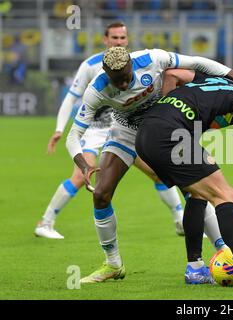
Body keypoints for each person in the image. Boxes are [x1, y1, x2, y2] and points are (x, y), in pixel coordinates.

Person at [65, 46, 233, 283]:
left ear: (132, 64)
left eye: (126, 79)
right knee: (101, 194)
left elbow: (199, 62)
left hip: (165, 125)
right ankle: (113, 263)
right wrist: (83, 165)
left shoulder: (152, 59)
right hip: (126, 131)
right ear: (105, 73)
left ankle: (221, 252)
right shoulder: (96, 91)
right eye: (116, 82)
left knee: (196, 189)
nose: (122, 86)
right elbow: (74, 136)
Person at [136, 69, 233, 289]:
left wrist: (167, 109)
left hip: (146, 134)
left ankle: (195, 268)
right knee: (226, 195)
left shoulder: (217, 80)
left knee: (197, 194)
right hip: (169, 135)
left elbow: (172, 75)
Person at [34, 22, 188, 239]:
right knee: (82, 174)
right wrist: (60, 128)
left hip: (125, 129)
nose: (119, 42)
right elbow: (71, 98)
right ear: (105, 40)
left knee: (157, 172)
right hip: (96, 130)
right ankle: (45, 222)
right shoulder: (90, 65)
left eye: (122, 38)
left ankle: (180, 220)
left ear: (127, 40)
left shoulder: (137, 63)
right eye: (114, 38)